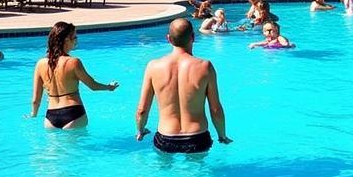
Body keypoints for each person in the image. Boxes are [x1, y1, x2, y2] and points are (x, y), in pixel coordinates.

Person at [136, 17, 232, 152]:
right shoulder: (205, 67)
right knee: (197, 172)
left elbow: (142, 110)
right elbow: (215, 110)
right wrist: (222, 135)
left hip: (165, 137)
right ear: (193, 37)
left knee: (164, 171)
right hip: (197, 137)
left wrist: (140, 130)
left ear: (168, 39)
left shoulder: (153, 66)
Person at [29, 21, 119, 130]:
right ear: (67, 39)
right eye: (75, 37)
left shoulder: (40, 64)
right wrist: (109, 87)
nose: (76, 40)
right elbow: (93, 86)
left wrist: (33, 115)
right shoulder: (73, 62)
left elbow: (35, 100)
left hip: (50, 118)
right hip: (73, 114)